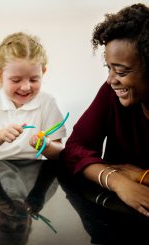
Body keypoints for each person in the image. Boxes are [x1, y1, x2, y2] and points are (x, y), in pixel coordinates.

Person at [60, 3, 149, 217]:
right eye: (108, 68)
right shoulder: (111, 94)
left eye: (121, 71)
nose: (110, 80)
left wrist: (142, 176)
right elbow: (74, 149)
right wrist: (116, 180)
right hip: (115, 217)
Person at [0, 32, 66, 160]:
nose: (25, 87)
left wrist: (47, 145)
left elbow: (59, 151)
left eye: (34, 79)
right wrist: (1, 135)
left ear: (43, 72)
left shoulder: (47, 102)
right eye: (16, 80)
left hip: (32, 174)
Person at [0, 160, 58, 245]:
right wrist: (40, 190)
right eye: (21, 228)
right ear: (30, 222)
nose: (14, 222)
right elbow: (56, 159)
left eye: (4, 227)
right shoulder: (45, 195)